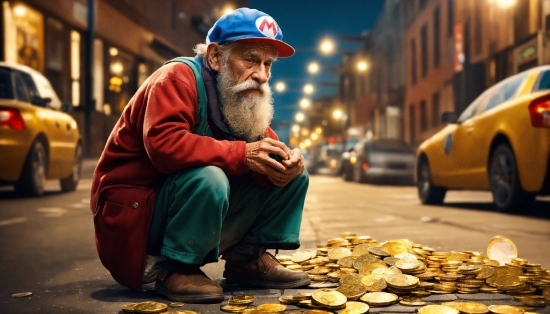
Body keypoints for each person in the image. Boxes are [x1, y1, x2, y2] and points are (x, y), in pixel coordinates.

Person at [90, 7, 310, 303]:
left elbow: (262, 150)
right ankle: (177, 268)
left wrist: (286, 164)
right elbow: (164, 146)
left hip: (165, 209)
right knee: (209, 175)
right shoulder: (176, 77)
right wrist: (242, 153)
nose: (261, 75)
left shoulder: (238, 95)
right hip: (135, 224)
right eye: (251, 59)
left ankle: (246, 260)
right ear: (216, 56)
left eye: (268, 64)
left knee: (290, 174)